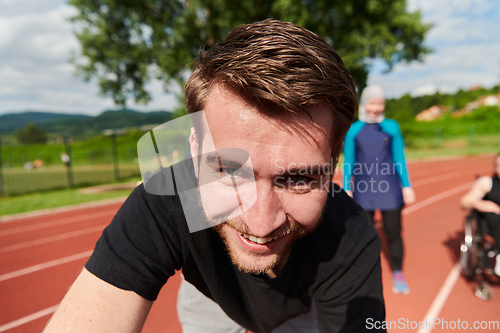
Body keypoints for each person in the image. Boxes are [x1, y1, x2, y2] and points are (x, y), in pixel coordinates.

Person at [44, 19, 386, 333]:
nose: (261, 223)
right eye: (228, 170)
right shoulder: (166, 200)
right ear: (194, 148)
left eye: (298, 179)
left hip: (301, 315)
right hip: (212, 302)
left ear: (332, 163)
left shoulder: (350, 237)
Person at [343, 85, 416, 295]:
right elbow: (349, 161)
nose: (376, 107)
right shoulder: (354, 130)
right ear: (364, 104)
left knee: (393, 232)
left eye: (380, 103)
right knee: (363, 232)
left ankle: (398, 272)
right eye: (372, 103)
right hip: (364, 189)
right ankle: (362, 273)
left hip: (390, 188)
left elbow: (399, 157)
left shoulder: (392, 127)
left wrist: (407, 186)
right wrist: (347, 186)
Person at [460, 153, 500, 276]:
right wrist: (480, 204)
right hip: (495, 221)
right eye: (498, 166)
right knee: (492, 213)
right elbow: (464, 202)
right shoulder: (487, 183)